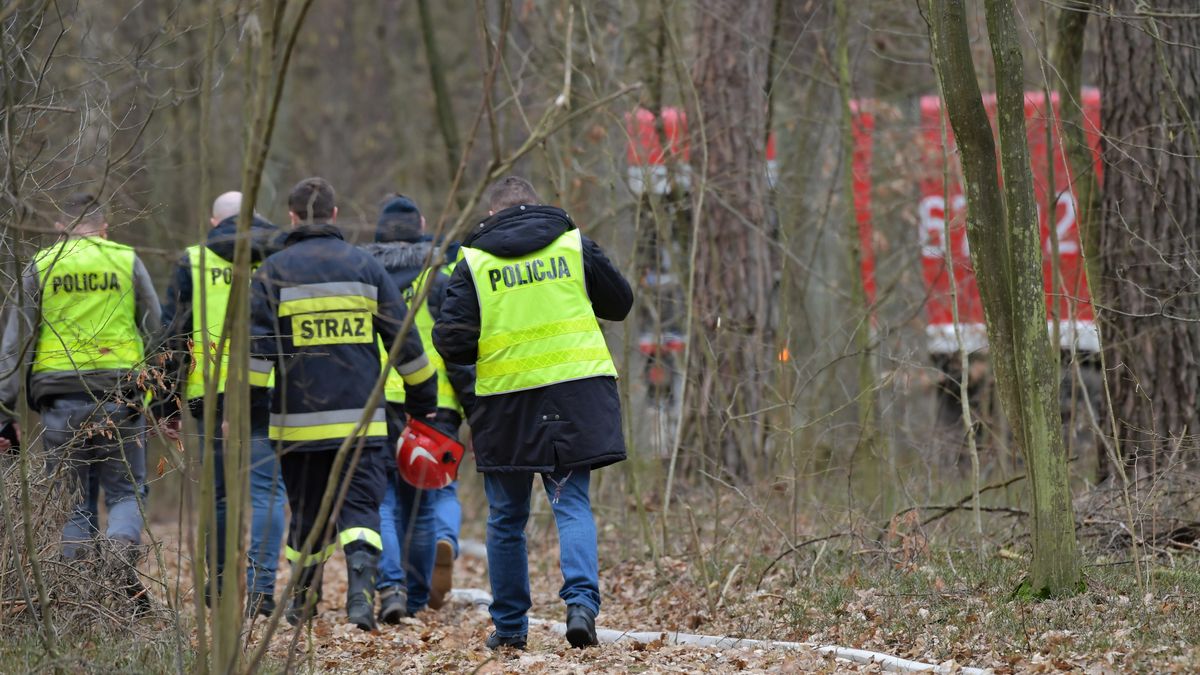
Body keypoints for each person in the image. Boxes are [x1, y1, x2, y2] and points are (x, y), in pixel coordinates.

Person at [433, 176, 633, 650]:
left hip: (507, 404)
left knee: (506, 519)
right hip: (577, 396)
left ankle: (509, 630)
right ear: (537, 206)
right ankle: (581, 605)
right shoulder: (571, 245)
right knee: (572, 505)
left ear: (490, 216)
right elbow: (620, 303)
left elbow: (450, 341)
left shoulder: (474, 262)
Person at [248, 177, 437, 631]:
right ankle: (359, 600)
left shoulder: (271, 273)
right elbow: (404, 341)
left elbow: (254, 358)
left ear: (292, 218)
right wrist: (422, 401)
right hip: (361, 422)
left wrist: (257, 417)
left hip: (296, 426)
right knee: (361, 511)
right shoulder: (364, 267)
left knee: (308, 515)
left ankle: (302, 601)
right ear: (334, 215)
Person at [0, 193, 161, 570]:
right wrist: (162, 395)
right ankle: (120, 554)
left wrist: (4, 409)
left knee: (71, 500)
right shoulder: (125, 259)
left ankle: (76, 587)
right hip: (120, 395)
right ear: (104, 229)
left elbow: (13, 344)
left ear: (60, 229)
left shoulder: (42, 264)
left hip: (59, 399)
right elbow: (156, 328)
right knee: (126, 493)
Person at [157, 191, 288, 616]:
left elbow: (172, 333)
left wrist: (166, 403)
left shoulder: (194, 260)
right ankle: (262, 590)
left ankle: (216, 588)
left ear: (214, 223)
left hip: (210, 394)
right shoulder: (278, 255)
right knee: (268, 492)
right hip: (271, 387)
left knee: (220, 496)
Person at [361, 194, 475, 622]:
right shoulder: (442, 277)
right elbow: (460, 348)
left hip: (378, 403)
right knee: (430, 498)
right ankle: (417, 593)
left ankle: (390, 588)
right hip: (436, 404)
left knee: (384, 501)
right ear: (423, 226)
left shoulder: (365, 276)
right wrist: (473, 409)